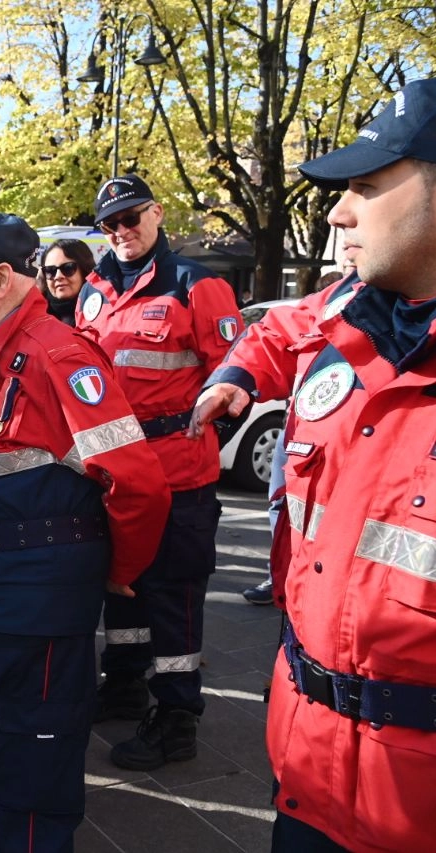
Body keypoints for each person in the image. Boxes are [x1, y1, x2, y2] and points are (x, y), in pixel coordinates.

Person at [190, 76, 436, 853]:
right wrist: (234, 374)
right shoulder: (347, 311)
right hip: (309, 773)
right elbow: (274, 333)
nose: (337, 212)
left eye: (366, 187)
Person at [0, 212, 169, 852]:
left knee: (35, 737)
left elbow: (138, 484)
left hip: (37, 601)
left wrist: (119, 574)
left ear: (2, 278)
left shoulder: (60, 355)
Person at [74, 174, 242, 770]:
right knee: (119, 587)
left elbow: (233, 369)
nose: (121, 231)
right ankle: (123, 685)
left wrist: (219, 406)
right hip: (114, 472)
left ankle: (176, 717)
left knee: (173, 598)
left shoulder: (197, 284)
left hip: (176, 474)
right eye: (110, 224)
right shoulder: (93, 287)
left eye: (131, 217)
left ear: (157, 214)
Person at [36, 238, 95, 326]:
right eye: (50, 270)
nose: (58, 276)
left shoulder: (101, 311)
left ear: (84, 271)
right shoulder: (35, 314)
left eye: (68, 268)